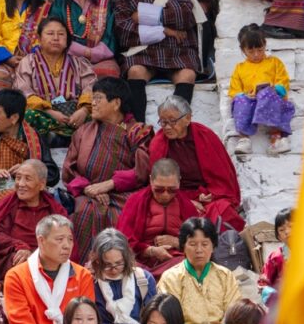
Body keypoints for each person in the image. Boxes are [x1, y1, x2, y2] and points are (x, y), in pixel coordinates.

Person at [63, 77, 152, 263]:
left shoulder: (138, 131)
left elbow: (143, 169)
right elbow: (69, 170)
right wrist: (89, 189)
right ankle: (84, 268)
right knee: (83, 211)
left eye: (97, 98)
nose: (92, 104)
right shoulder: (83, 131)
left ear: (116, 103)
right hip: (88, 192)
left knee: (122, 214)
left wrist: (109, 185)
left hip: (124, 193)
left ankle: (122, 266)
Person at [112, 0, 202, 121]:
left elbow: (183, 15)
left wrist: (142, 15)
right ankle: (139, 127)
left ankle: (174, 123)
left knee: (188, 74)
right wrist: (167, 30)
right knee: (135, 71)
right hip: (143, 53)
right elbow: (125, 30)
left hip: (177, 50)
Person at [4, 215, 94, 324]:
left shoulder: (82, 275)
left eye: (70, 239)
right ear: (41, 240)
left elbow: (86, 320)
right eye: (59, 239)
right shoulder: (16, 276)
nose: (67, 245)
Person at [149, 95, 244, 230]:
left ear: (187, 118)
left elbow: (223, 178)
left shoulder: (206, 136)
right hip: (175, 196)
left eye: (172, 121)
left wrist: (212, 194)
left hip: (209, 196)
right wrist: (187, 201)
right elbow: (157, 185)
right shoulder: (158, 144)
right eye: (163, 122)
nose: (167, 127)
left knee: (223, 212)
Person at [0, 89, 59, 214]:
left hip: (24, 193)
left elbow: (52, 174)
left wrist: (28, 170)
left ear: (14, 118)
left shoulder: (33, 139)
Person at [158, 218, 241, 324]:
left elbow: (233, 313)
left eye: (205, 244)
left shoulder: (225, 276)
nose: (199, 250)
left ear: (213, 246)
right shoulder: (171, 278)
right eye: (192, 244)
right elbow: (169, 317)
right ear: (183, 246)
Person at [0, 160, 70, 282]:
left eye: (27, 179)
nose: (21, 184)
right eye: (18, 178)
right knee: (23, 262)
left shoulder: (54, 209)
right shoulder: (7, 205)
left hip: (46, 257)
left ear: (41, 184)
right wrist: (19, 246)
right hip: (15, 257)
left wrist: (40, 254)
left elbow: (63, 239)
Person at [14, 17, 96, 139]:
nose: (56, 38)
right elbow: (24, 91)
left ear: (67, 39)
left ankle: (72, 137)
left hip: (76, 115)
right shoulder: (28, 62)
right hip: (46, 115)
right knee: (29, 116)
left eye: (61, 34)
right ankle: (58, 138)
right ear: (39, 38)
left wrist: (83, 111)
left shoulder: (78, 63)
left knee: (99, 115)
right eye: (50, 33)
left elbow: (91, 87)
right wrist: (49, 112)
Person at [116, 158, 199, 278]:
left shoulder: (185, 204)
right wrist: (150, 250)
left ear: (179, 183)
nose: (165, 195)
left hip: (175, 260)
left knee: (188, 265)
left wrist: (178, 242)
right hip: (141, 262)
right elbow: (122, 242)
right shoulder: (136, 201)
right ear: (151, 180)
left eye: (172, 190)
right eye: (159, 189)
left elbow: (201, 242)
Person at [48, 0, 120, 78]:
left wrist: (94, 53)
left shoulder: (105, 3)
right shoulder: (59, 4)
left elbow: (110, 37)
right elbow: (55, 36)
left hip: (100, 57)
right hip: (65, 55)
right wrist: (84, 52)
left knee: (110, 71)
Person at [228, 23, 295, 155]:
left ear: (265, 44)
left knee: (267, 93)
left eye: (260, 49)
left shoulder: (274, 62)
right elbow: (234, 91)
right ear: (243, 50)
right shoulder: (240, 68)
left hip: (269, 100)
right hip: (251, 102)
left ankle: (276, 138)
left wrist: (274, 89)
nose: (256, 54)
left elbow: (283, 83)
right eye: (251, 51)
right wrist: (247, 95)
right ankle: (244, 139)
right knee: (240, 100)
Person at [88, 229, 157, 324]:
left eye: (119, 263)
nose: (114, 269)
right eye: (107, 265)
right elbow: (83, 319)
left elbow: (155, 317)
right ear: (97, 261)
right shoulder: (90, 281)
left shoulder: (143, 279)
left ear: (127, 258)